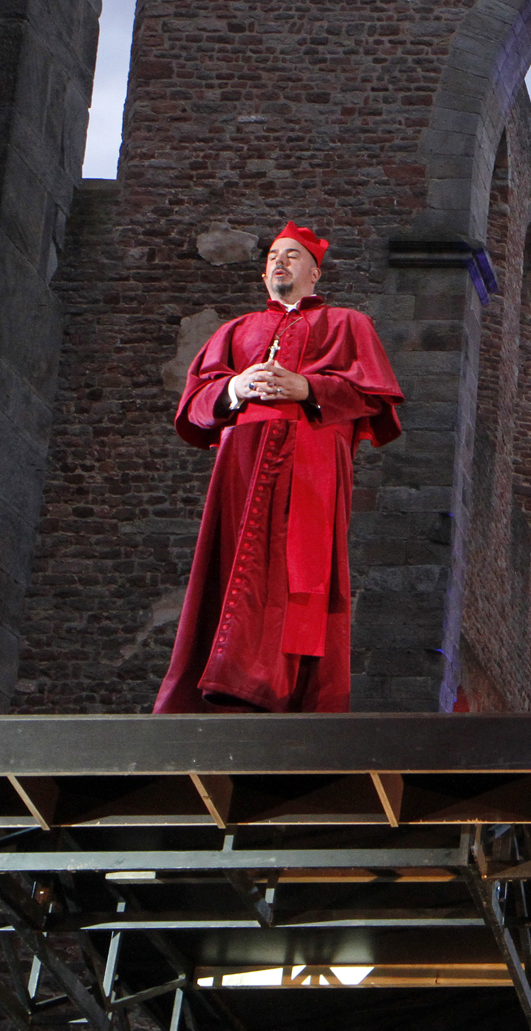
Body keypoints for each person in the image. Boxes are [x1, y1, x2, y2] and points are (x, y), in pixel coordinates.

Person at [154, 222, 403, 713]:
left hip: (311, 460)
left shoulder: (348, 324)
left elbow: (374, 398)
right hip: (241, 461)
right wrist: (236, 389)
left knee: (298, 574)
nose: (278, 263)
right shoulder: (235, 331)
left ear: (315, 272)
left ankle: (286, 690)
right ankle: (214, 685)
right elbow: (196, 405)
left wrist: (308, 389)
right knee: (229, 566)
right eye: (272, 256)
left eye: (291, 256)